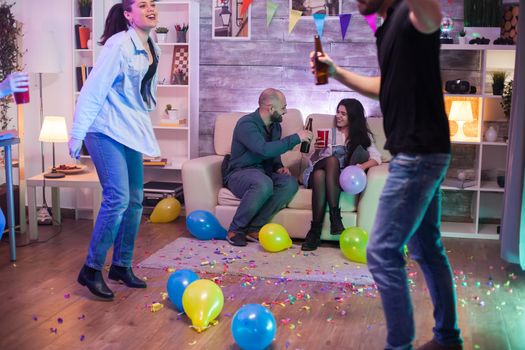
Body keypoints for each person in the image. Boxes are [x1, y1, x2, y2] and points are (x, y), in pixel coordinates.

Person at [311, 1, 463, 349]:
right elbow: (385, 86)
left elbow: (432, 16)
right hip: (423, 153)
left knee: (380, 252)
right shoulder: (386, 28)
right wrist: (336, 72)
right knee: (426, 248)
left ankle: (401, 345)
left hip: (417, 155)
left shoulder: (412, 15)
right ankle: (448, 339)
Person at [69, 0, 160, 300]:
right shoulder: (119, 45)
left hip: (126, 129)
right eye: (142, 5)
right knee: (118, 197)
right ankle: (91, 269)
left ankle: (120, 265)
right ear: (128, 14)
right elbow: (92, 91)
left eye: (153, 4)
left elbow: (140, 96)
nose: (151, 8)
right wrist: (76, 135)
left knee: (135, 199)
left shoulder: (152, 47)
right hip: (103, 129)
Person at [224, 88, 313, 247]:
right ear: (271, 108)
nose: (285, 111)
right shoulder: (246, 124)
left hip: (264, 173)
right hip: (239, 174)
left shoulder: (275, 126)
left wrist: (278, 166)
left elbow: (272, 153)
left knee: (289, 183)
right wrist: (296, 138)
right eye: (283, 107)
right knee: (263, 183)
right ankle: (235, 230)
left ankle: (254, 228)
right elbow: (263, 149)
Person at [301, 98, 381, 251]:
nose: (338, 116)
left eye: (343, 113)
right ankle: (335, 217)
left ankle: (314, 232)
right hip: (315, 171)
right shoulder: (328, 134)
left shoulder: (363, 138)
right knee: (330, 162)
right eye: (337, 112)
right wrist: (317, 150)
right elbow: (310, 161)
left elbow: (376, 158)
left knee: (320, 175)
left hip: (336, 179)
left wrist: (361, 166)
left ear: (353, 116)